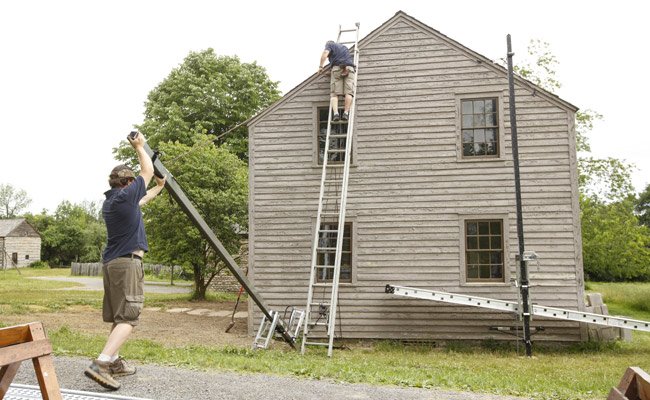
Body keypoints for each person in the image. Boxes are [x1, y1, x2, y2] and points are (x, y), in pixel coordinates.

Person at [84, 132, 166, 391]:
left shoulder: (113, 201)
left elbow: (145, 194)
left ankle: (115, 361)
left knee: (119, 316)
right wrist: (140, 147)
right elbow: (147, 170)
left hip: (112, 264)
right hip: (127, 263)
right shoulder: (126, 195)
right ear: (128, 182)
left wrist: (160, 186)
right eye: (133, 182)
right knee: (129, 317)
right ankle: (102, 364)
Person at [319, 40, 356, 121]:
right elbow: (342, 59)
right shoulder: (344, 47)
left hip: (337, 68)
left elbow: (325, 53)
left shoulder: (330, 45)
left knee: (334, 93)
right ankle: (346, 113)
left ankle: (336, 114)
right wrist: (331, 72)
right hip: (349, 69)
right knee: (349, 92)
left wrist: (321, 67)